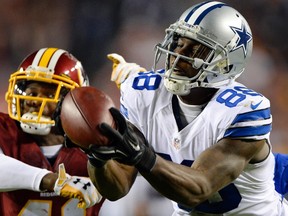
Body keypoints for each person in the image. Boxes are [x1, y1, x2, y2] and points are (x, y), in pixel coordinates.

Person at [83, 1, 288, 215]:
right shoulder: (143, 94)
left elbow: (199, 189)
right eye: (178, 42)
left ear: (226, 63)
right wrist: (97, 155)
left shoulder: (243, 109)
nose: (178, 55)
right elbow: (117, 188)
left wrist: (141, 155)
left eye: (196, 49)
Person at [1, 47, 103, 216]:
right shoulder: (5, 130)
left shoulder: (94, 143)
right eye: (32, 92)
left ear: (74, 102)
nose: (34, 101)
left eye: (49, 95)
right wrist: (53, 181)